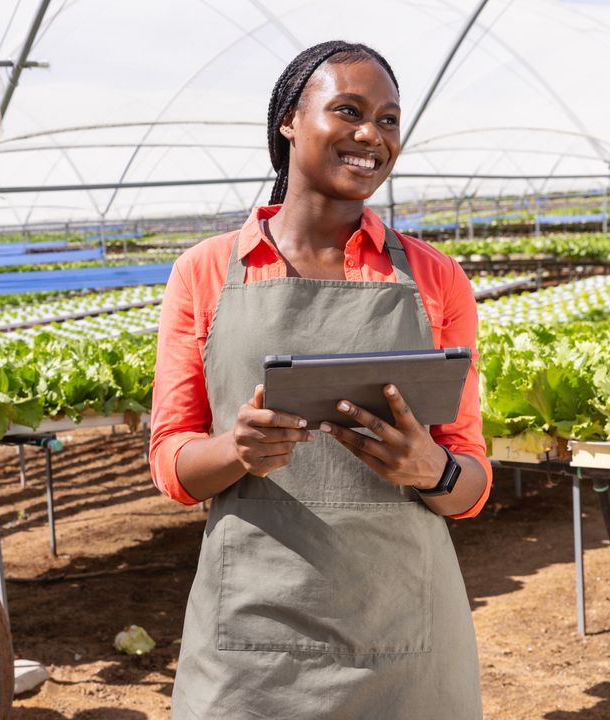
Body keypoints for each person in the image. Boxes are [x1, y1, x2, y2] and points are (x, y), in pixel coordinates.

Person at [149, 40, 491, 718]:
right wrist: (235, 451)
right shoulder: (207, 271)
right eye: (348, 110)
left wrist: (433, 470)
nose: (373, 136)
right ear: (288, 122)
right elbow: (171, 463)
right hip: (254, 641)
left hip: (405, 644)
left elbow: (472, 480)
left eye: (389, 119)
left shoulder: (435, 277)